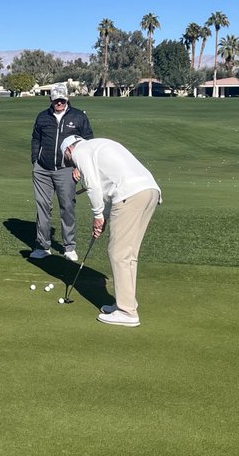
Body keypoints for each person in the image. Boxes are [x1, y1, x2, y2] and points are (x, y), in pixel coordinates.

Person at [59, 135, 161, 328]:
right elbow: (110, 187)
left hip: (130, 195)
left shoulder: (80, 152)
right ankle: (126, 303)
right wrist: (103, 217)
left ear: (69, 150)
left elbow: (93, 186)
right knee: (128, 254)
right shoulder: (99, 145)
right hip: (149, 191)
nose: (73, 165)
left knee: (119, 253)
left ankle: (127, 312)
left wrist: (98, 215)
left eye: (68, 159)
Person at [29, 82, 94, 261]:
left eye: (62, 100)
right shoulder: (43, 117)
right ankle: (42, 246)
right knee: (43, 207)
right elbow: (36, 139)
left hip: (66, 169)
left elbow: (88, 143)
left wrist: (78, 166)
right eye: (56, 100)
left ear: (67, 99)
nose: (59, 103)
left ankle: (69, 247)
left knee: (67, 207)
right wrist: (35, 160)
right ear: (51, 99)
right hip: (43, 169)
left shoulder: (78, 117)